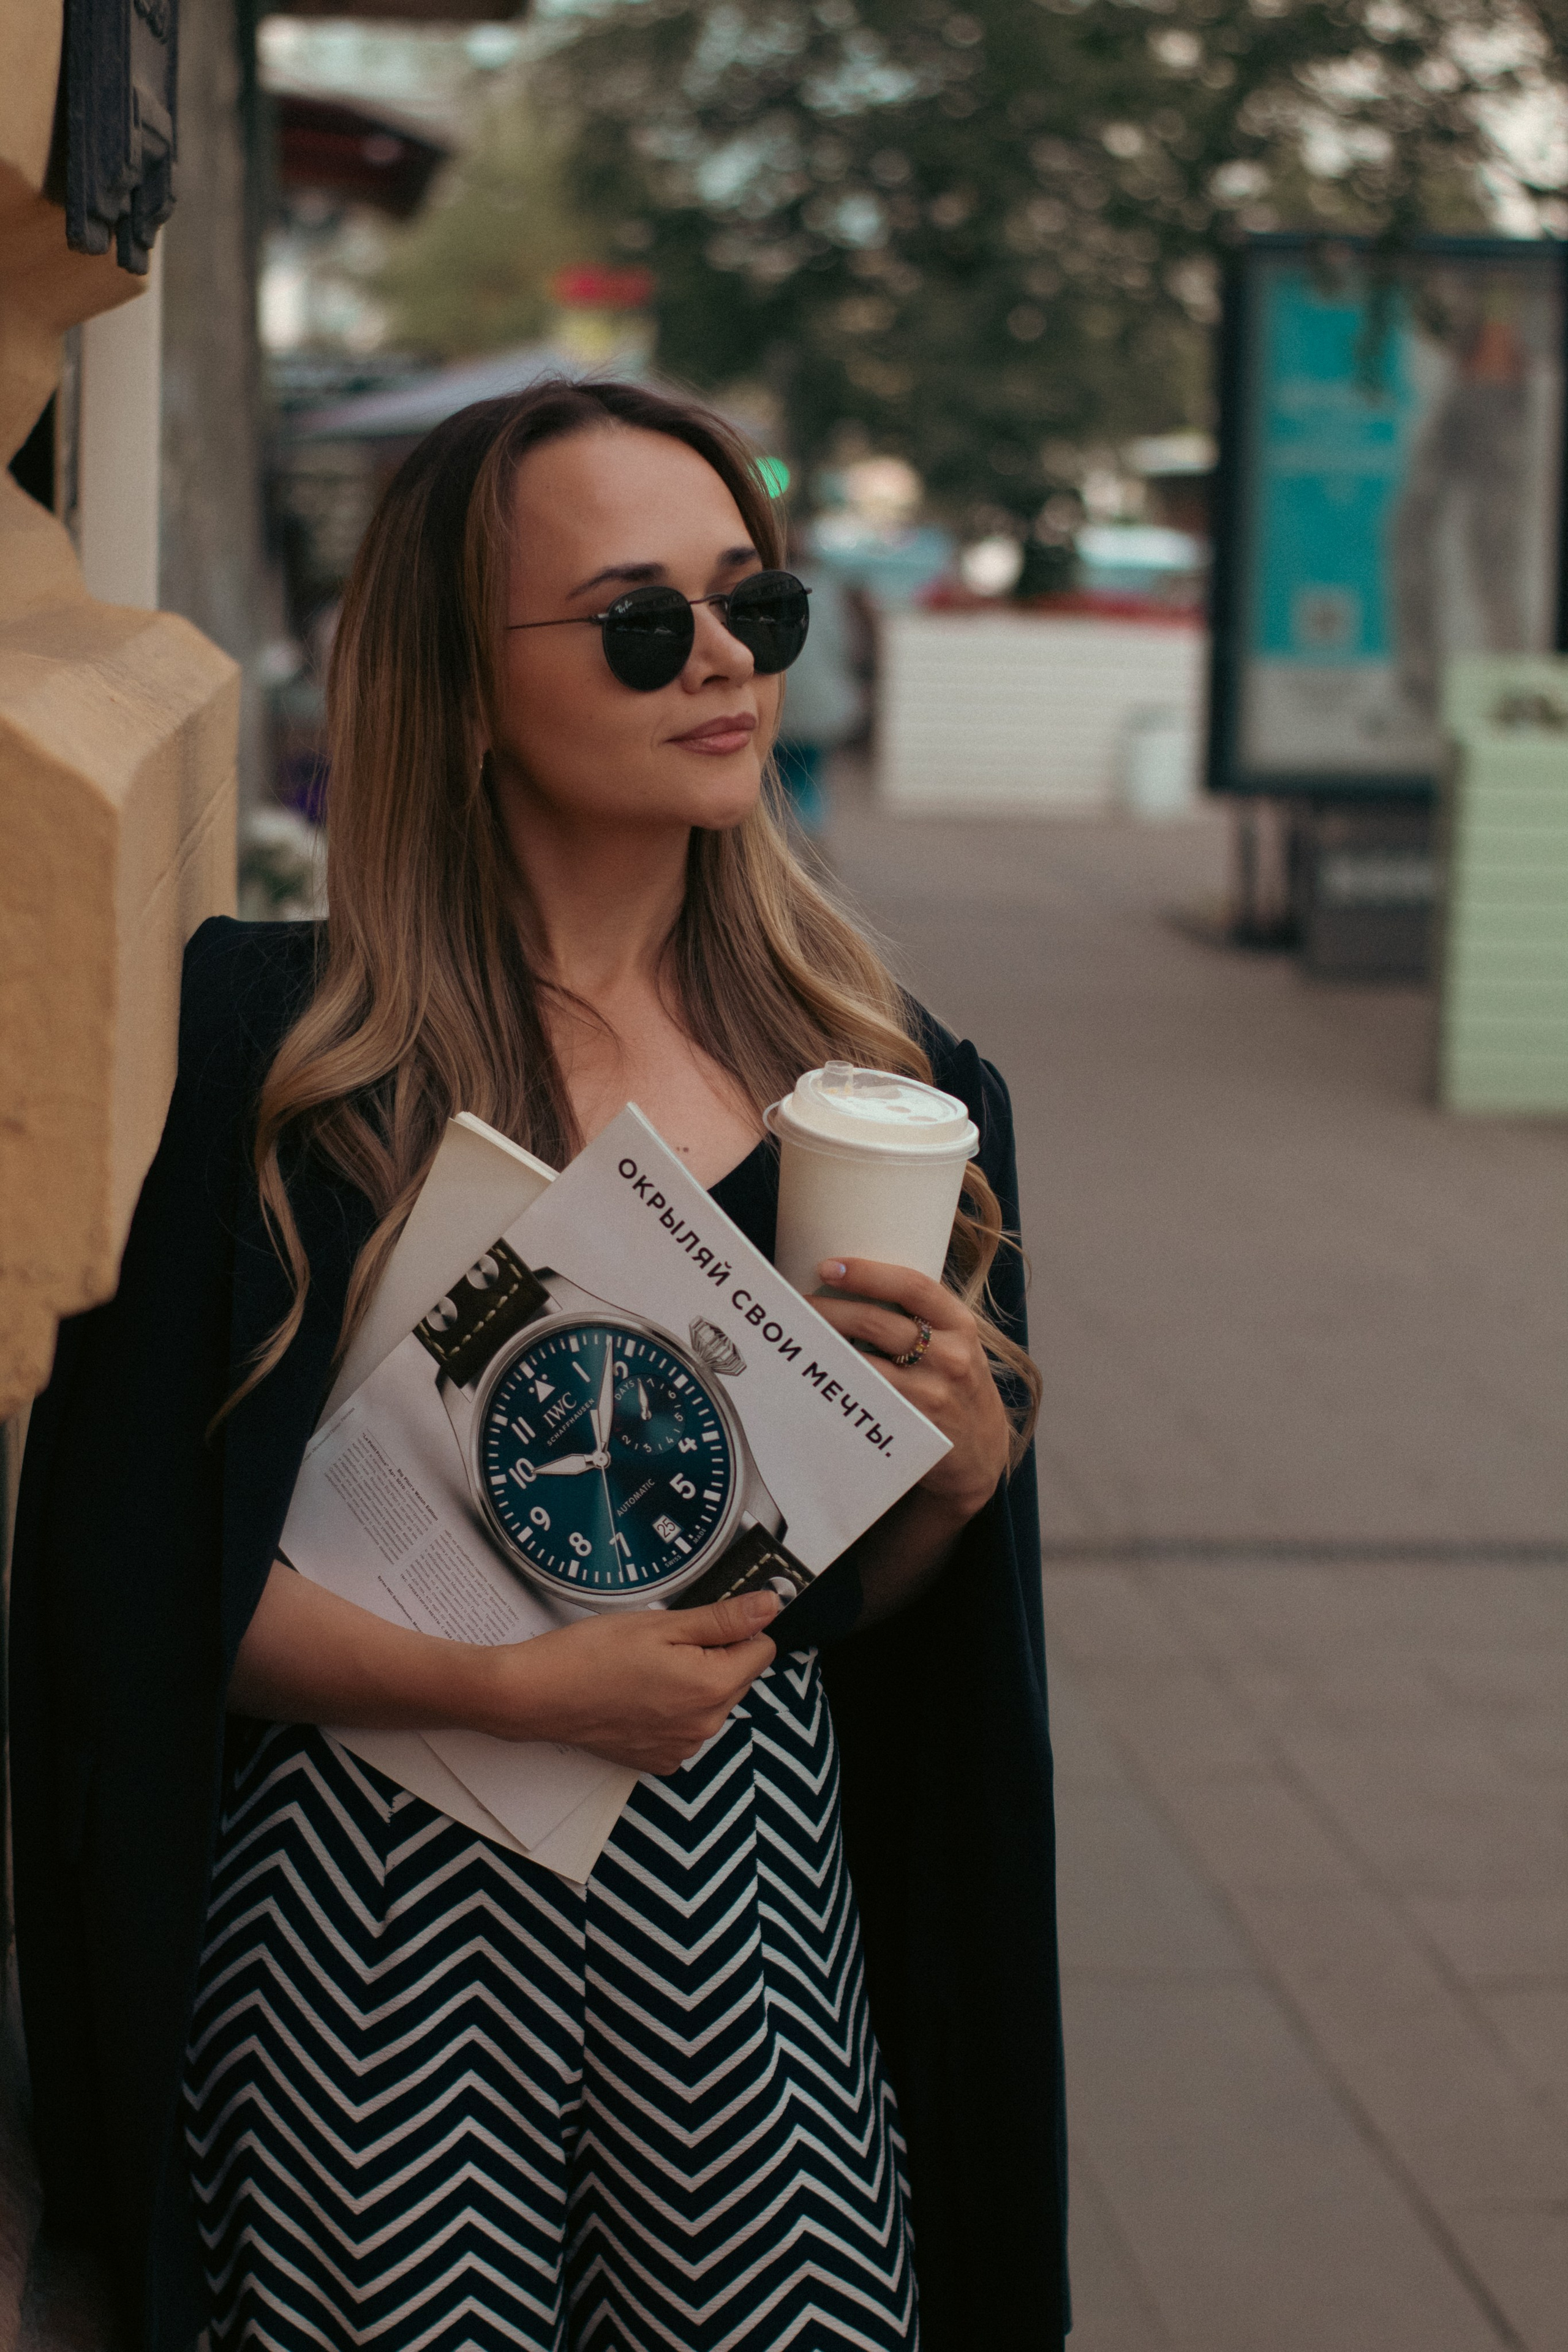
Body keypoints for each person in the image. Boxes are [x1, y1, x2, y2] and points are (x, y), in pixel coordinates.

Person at [12, 381, 1068, 2352]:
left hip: (744, 1920)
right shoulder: (279, 1060)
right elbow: (138, 1589)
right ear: (464, 685)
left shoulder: (892, 1088)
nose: (724, 662)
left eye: (755, 605)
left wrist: (954, 1479)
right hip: (370, 1929)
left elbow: (854, 1628)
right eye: (641, 622)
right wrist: (506, 1689)